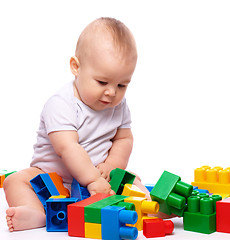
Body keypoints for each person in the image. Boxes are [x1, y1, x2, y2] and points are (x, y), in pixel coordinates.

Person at [4, 17, 150, 232]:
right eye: (102, 82)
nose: (111, 92)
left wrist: (112, 166)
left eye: (122, 84)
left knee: (133, 181)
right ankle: (37, 211)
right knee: (15, 181)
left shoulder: (119, 106)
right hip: (54, 179)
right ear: (76, 67)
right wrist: (91, 180)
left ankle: (149, 208)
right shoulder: (62, 103)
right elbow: (67, 147)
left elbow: (124, 138)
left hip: (101, 179)